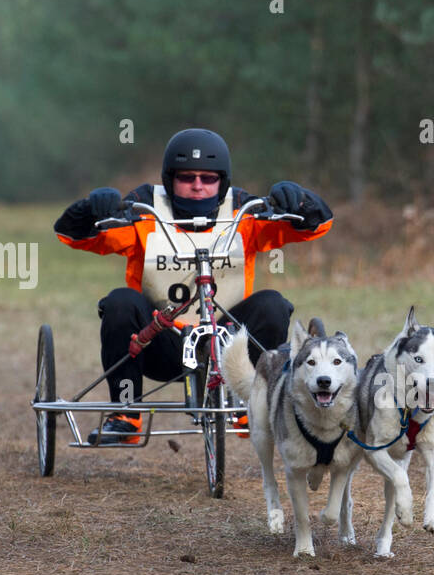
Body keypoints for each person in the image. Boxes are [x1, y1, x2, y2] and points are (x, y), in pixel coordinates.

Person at [53, 128, 333, 444]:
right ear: (170, 178)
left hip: (229, 345)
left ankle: (251, 405)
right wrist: (89, 209)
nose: (198, 185)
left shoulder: (245, 211)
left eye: (208, 177)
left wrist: (301, 200)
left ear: (222, 181)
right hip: (157, 342)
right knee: (120, 302)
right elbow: (72, 236)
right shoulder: (144, 209)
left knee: (273, 304)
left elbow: (318, 226)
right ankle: (126, 413)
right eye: (187, 177)